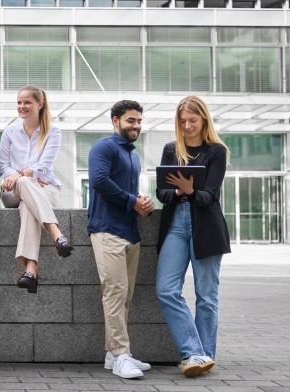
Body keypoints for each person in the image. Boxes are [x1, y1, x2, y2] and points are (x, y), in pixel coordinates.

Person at [155, 96, 231, 378]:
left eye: (192, 121)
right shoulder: (170, 150)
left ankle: (201, 357)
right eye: (182, 121)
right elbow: (161, 192)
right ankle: (195, 352)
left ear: (204, 121)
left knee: (206, 297)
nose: (187, 126)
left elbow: (210, 195)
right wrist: (178, 191)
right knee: (165, 289)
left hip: (206, 226)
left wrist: (189, 189)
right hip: (175, 223)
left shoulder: (216, 152)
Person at [87, 100, 155, 379]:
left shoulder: (133, 155)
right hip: (107, 230)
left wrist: (142, 200)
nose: (136, 125)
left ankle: (111, 353)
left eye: (138, 120)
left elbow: (128, 191)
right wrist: (132, 201)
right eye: (130, 120)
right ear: (115, 121)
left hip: (130, 232)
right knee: (114, 293)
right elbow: (99, 180)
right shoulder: (103, 147)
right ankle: (121, 354)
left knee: (124, 296)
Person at [0, 86, 73, 293]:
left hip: (45, 189)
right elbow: (2, 166)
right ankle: (57, 234)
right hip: (12, 190)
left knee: (27, 205)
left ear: (39, 104)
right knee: (24, 183)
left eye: (27, 102)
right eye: (19, 102)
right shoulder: (10, 131)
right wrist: (21, 176)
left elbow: (45, 166)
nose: (22, 106)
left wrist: (24, 175)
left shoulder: (53, 132)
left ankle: (31, 271)